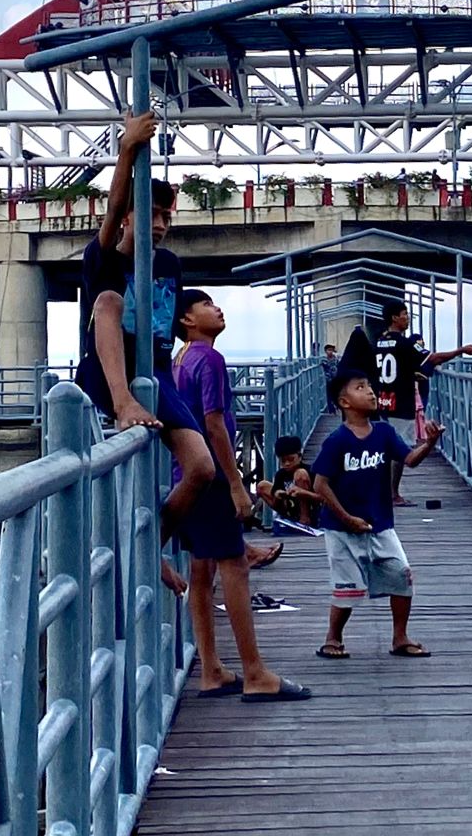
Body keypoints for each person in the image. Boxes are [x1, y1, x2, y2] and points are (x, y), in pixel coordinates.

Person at [74, 110, 208, 596]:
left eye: (166, 216)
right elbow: (110, 210)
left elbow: (174, 325)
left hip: (157, 372)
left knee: (202, 468)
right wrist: (129, 148)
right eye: (150, 214)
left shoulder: (170, 264)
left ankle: (148, 549)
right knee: (109, 300)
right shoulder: (105, 255)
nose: (160, 224)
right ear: (131, 217)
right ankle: (124, 402)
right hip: (112, 374)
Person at [171, 288, 310, 702]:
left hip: (186, 474)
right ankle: (254, 672)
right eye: (207, 305)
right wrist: (237, 485)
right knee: (234, 566)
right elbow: (214, 423)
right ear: (187, 320)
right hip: (211, 474)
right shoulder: (208, 358)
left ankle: (212, 668)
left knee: (201, 570)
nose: (218, 308)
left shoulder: (178, 361)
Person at [313, 368, 441, 660]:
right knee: (346, 585)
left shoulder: (383, 432)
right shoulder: (337, 440)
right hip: (341, 527)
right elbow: (320, 484)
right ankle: (333, 637)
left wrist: (428, 444)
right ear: (344, 402)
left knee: (400, 573)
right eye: (360, 387)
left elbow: (409, 459)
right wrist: (345, 518)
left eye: (370, 386)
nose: (370, 391)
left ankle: (400, 636)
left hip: (379, 522)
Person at [372, 301, 472, 505]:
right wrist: (460, 350)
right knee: (400, 447)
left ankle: (381, 491)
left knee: (382, 445)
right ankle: (393, 494)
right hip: (401, 402)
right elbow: (433, 359)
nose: (407, 318)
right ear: (394, 317)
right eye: (404, 314)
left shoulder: (379, 341)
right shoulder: (405, 343)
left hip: (382, 400)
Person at [258, 435, 318, 526]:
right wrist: (278, 494)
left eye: (291, 459)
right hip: (289, 505)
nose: (287, 464)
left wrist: (303, 492)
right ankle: (285, 518)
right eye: (283, 461)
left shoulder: (309, 471)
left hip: (310, 507)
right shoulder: (281, 474)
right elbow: (275, 497)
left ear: (299, 456)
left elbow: (323, 498)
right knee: (262, 486)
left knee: (300, 474)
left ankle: (304, 518)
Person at [320, 343, 340, 413]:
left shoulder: (336, 359)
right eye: (329, 350)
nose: (330, 352)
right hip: (327, 379)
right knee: (329, 394)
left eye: (331, 350)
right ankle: (331, 409)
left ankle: (335, 407)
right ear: (325, 351)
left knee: (335, 393)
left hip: (335, 379)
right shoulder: (323, 359)